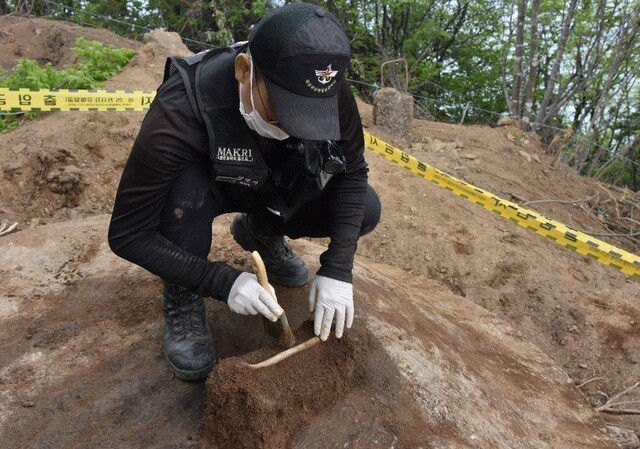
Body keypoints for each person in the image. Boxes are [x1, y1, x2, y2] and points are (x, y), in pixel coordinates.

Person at [108, 2, 380, 380]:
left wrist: (338, 268)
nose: (296, 129)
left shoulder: (324, 85)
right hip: (207, 187)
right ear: (244, 71)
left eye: (309, 116)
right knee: (182, 201)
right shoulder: (181, 108)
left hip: (270, 183)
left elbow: (353, 172)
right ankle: (182, 295)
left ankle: (259, 232)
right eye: (283, 110)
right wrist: (220, 280)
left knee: (365, 208)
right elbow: (127, 234)